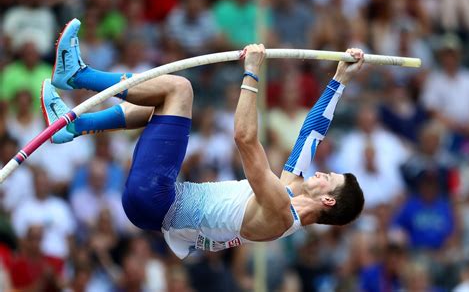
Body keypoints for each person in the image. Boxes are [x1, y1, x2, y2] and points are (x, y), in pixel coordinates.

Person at [41, 18, 365, 259]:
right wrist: (339, 80)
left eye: (328, 178)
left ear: (328, 201)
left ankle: (78, 75)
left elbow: (245, 139)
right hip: (152, 207)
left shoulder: (280, 209)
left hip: (157, 199)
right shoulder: (289, 193)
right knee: (160, 105)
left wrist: (252, 73)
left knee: (179, 89)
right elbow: (311, 134)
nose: (321, 172)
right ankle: (73, 126)